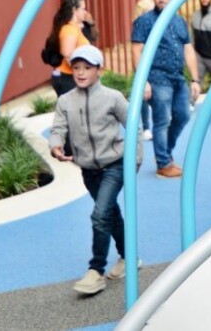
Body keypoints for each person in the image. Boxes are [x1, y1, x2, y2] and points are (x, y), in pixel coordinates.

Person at [48, 46, 142, 295]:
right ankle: (129, 258)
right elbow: (58, 128)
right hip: (88, 170)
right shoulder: (65, 101)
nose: (80, 73)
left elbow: (134, 126)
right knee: (110, 214)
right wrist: (55, 144)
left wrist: (136, 158)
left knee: (100, 215)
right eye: (76, 67)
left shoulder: (113, 98)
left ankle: (95, 271)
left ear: (100, 70)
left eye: (87, 68)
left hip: (114, 164)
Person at [131, 0, 201, 178]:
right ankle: (163, 163)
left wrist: (195, 79)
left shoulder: (179, 21)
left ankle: (164, 152)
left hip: (178, 77)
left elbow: (188, 49)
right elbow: (137, 50)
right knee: (162, 120)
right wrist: (142, 81)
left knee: (184, 115)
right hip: (158, 77)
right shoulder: (144, 21)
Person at [45, 0, 91, 97]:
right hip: (67, 78)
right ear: (74, 10)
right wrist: (82, 72)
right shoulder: (69, 29)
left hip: (70, 76)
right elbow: (68, 54)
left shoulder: (74, 28)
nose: (85, 12)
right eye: (83, 9)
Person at [131, 0, 155, 141]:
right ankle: (146, 126)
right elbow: (137, 49)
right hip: (144, 64)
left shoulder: (156, 23)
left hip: (155, 63)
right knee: (143, 96)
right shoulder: (139, 26)